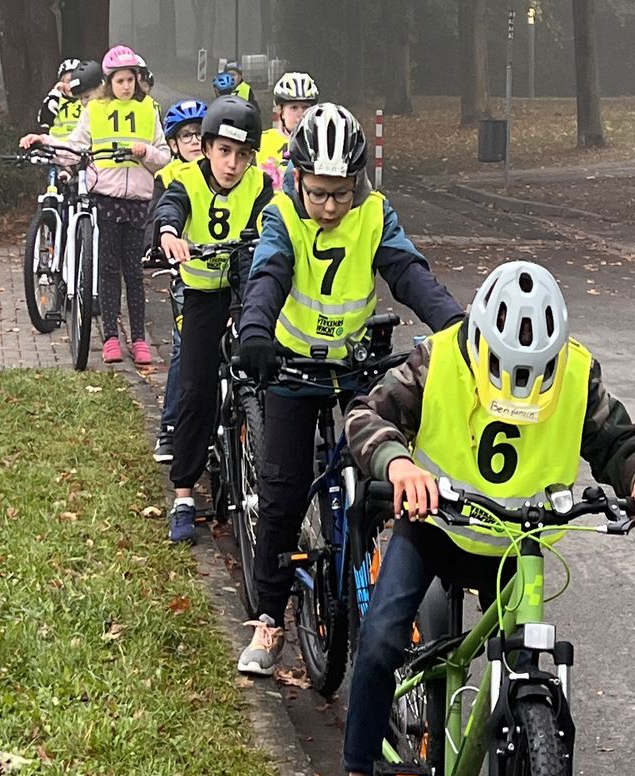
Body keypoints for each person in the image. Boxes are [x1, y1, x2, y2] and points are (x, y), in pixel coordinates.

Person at [320, 260, 635, 776]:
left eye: (535, 374)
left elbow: (621, 439)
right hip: (436, 527)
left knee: (525, 660)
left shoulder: (578, 374)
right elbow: (366, 416)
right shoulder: (438, 359)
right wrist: (399, 464)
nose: (519, 388)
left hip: (519, 544)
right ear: (479, 339)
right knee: (379, 642)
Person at [234, 103, 464, 676]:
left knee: (384, 474)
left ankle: (377, 580)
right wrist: (255, 330)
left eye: (341, 193)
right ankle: (269, 620)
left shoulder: (375, 213)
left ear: (358, 182)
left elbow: (408, 274)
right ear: (297, 180)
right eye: (318, 193)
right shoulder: (281, 216)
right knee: (283, 492)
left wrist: (459, 329)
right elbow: (269, 275)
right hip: (292, 369)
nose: (331, 206)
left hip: (356, 368)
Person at [153, 96, 273, 543]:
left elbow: (274, 221)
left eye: (243, 154)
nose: (232, 164)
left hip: (247, 290)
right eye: (224, 151)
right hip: (203, 296)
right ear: (205, 148)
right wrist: (169, 233)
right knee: (196, 388)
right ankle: (184, 495)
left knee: (266, 370)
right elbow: (170, 209)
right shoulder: (186, 181)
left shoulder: (260, 185)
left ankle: (266, 466)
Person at [20, 45, 171, 366]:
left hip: (138, 201)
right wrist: (43, 141)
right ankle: (111, 337)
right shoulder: (95, 111)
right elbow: (73, 146)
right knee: (109, 269)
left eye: (131, 79)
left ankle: (139, 340)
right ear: (109, 82)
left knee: (134, 273)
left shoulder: (148, 111)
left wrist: (145, 152)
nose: (126, 86)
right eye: (120, 80)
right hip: (107, 198)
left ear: (138, 80)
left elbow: (164, 157)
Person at [148, 99, 208, 464]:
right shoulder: (168, 177)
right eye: (187, 136)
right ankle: (170, 427)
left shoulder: (224, 172)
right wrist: (158, 243)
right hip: (187, 276)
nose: (195, 141)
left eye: (200, 134)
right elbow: (156, 219)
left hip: (228, 272)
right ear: (172, 144)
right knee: (185, 347)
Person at [256, 72, 318, 183]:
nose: (301, 114)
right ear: (281, 111)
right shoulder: (262, 141)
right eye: (294, 108)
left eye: (305, 107)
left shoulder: (321, 143)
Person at [37, 58, 85, 139]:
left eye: (75, 81)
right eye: (68, 81)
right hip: (57, 145)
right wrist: (54, 95)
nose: (71, 85)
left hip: (82, 145)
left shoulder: (87, 100)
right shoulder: (56, 100)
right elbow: (44, 121)